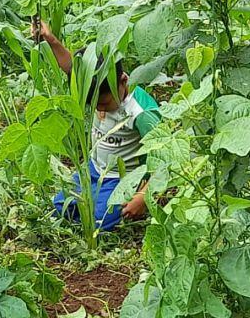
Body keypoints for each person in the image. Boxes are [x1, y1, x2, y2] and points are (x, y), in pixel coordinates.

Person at [33, 20, 162, 232]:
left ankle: (107, 209)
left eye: (103, 104)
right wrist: (51, 39)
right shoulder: (96, 89)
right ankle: (94, 201)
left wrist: (143, 196)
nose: (99, 110)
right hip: (93, 169)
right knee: (58, 206)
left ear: (123, 81)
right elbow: (73, 70)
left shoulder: (141, 113)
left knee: (97, 222)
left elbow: (165, 158)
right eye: (93, 105)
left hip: (121, 178)